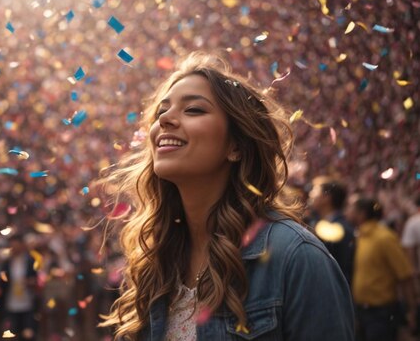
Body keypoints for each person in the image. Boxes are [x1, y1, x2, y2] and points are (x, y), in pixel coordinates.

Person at [99, 52, 354, 340]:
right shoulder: (156, 259)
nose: (166, 119)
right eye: (161, 112)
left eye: (193, 110)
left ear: (236, 146)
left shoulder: (297, 257)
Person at [347, 197, 417, 341]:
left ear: (361, 214)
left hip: (382, 313)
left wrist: (412, 311)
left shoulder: (384, 237)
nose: (347, 212)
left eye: (351, 209)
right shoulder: (359, 236)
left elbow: (405, 275)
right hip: (361, 310)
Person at [308, 179, 355, 285]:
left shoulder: (340, 229)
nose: (311, 194)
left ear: (326, 198)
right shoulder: (320, 223)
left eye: (315, 191)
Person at [0, 234, 38, 340]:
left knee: (28, 333)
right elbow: (2, 281)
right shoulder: (7, 263)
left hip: (27, 303)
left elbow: (36, 278)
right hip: (11, 303)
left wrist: (30, 282)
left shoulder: (29, 261)